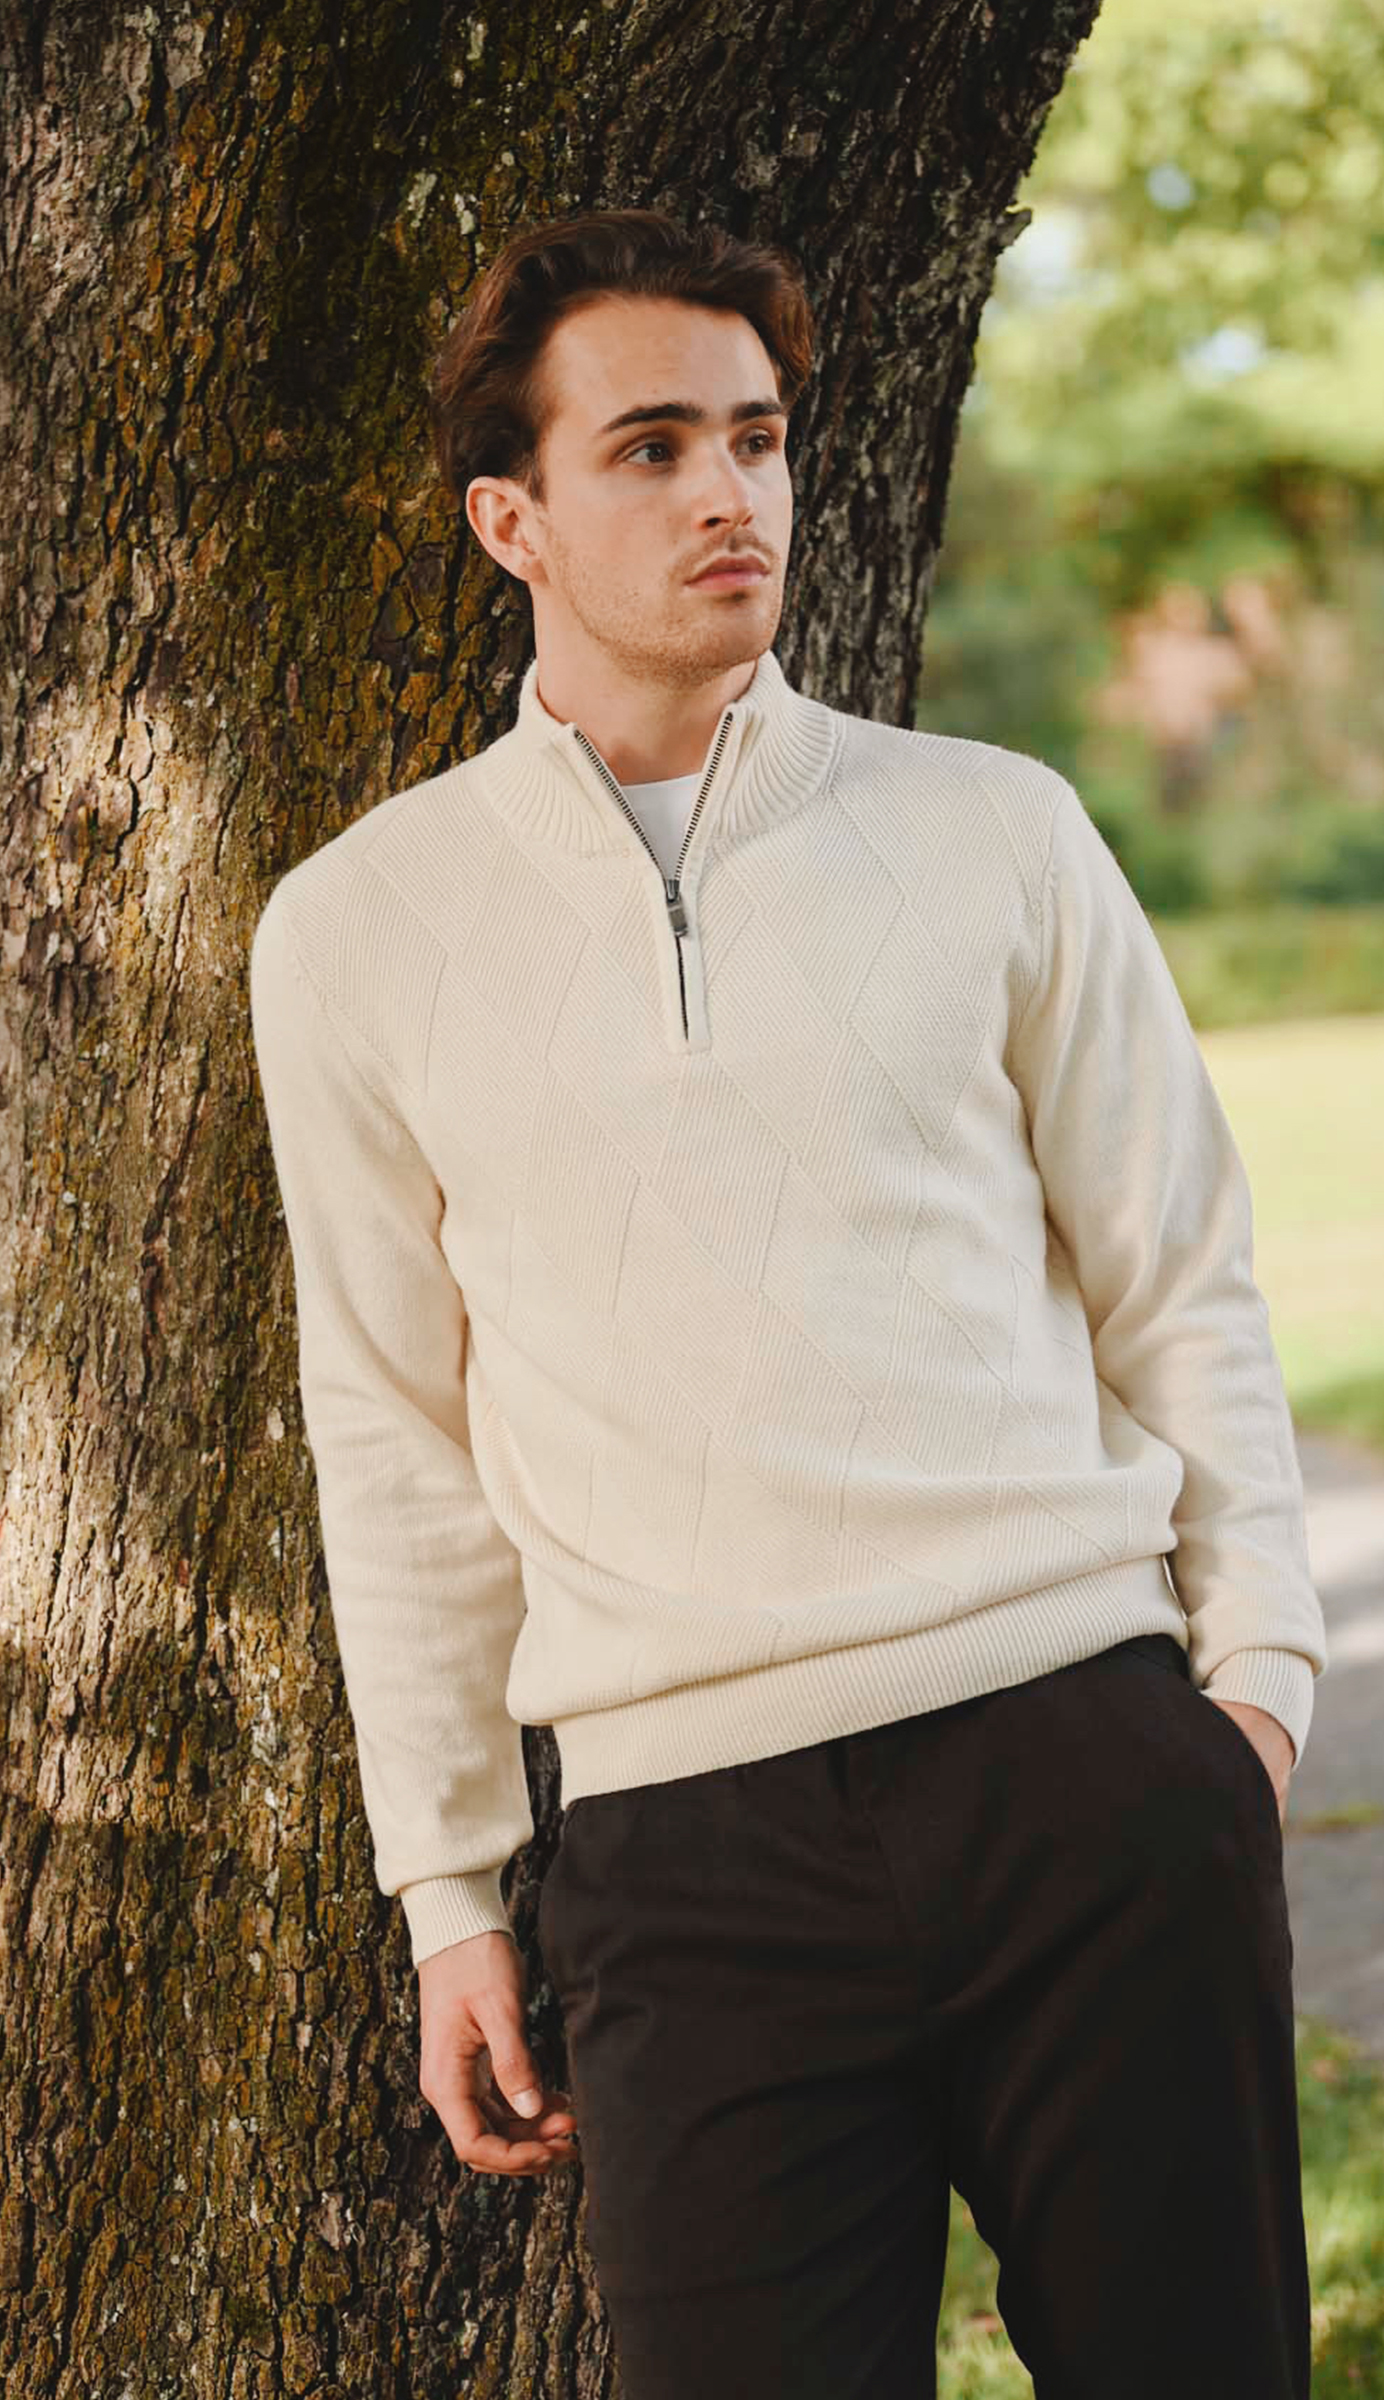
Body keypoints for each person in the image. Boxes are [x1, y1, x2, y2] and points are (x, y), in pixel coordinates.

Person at [249, 205, 1328, 2399]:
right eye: (650, 447)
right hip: (687, 1852)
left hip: (1083, 1770)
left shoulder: (995, 831)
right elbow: (390, 1433)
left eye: (754, 437)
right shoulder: (356, 932)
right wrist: (449, 1893)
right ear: (511, 520)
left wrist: (1257, 1696)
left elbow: (1178, 1275)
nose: (728, 491)